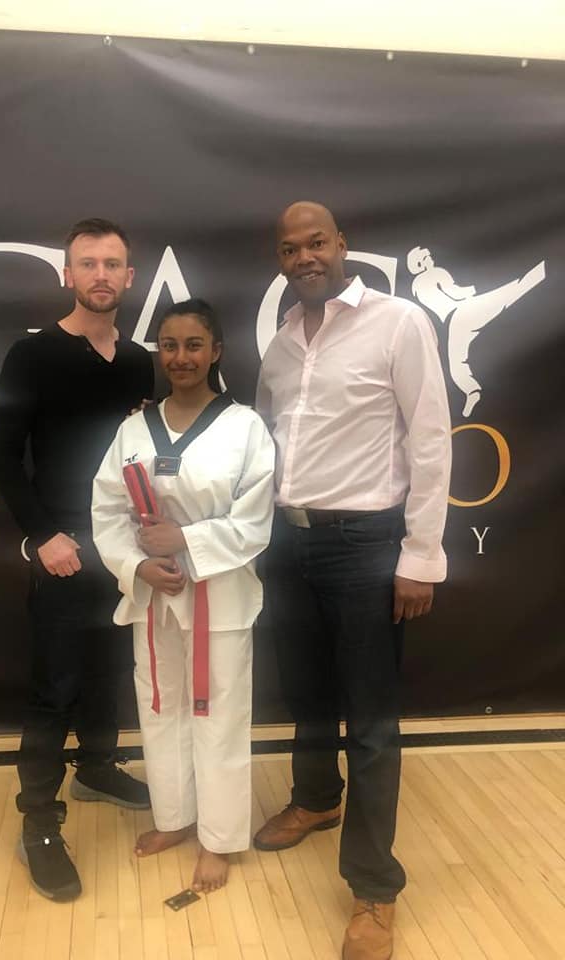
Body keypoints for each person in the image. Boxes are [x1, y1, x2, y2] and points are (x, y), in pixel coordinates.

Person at [255, 202, 451, 960]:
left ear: (342, 245)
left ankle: (374, 888)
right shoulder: (279, 345)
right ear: (280, 259)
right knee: (306, 693)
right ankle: (315, 799)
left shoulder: (398, 323)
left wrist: (420, 555)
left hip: (367, 542)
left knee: (369, 721)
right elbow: (267, 445)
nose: (305, 257)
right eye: (290, 248)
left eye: (317, 243)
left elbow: (430, 440)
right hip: (289, 539)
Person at [0, 218, 154, 903]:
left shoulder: (141, 362)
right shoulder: (31, 355)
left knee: (109, 669)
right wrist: (43, 536)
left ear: (129, 277)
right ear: (68, 274)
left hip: (126, 549)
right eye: (88, 263)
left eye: (112, 264)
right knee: (55, 686)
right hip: (63, 547)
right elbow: (2, 456)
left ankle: (98, 768)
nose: (101, 275)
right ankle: (38, 822)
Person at [91, 299, 275, 892]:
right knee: (160, 706)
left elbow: (254, 521)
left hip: (218, 593)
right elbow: (108, 511)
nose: (181, 357)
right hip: (154, 597)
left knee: (217, 714)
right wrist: (138, 564)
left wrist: (187, 542)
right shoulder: (133, 430)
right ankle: (174, 816)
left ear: (216, 351)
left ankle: (219, 838)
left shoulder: (245, 427)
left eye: (194, 345)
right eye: (169, 346)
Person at [407, 245, 546, 417]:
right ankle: (540, 272)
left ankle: (471, 390)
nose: (431, 259)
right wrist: (473, 288)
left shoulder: (415, 286)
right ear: (420, 264)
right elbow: (456, 293)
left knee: (457, 361)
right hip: (466, 310)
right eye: (427, 257)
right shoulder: (436, 273)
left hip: (453, 321)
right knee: (509, 292)